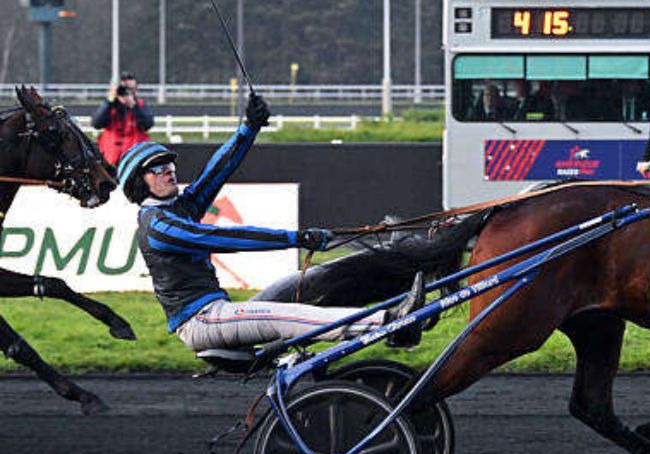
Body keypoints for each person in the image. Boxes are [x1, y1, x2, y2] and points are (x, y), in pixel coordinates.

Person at [116, 93, 417, 353]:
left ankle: (390, 254)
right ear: (139, 183)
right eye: (156, 169)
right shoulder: (157, 227)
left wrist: (249, 127)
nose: (168, 171)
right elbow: (226, 238)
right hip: (201, 322)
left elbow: (218, 169)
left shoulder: (180, 207)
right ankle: (391, 322)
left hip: (218, 310)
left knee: (308, 278)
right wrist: (296, 238)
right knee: (292, 315)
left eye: (168, 165)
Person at [92, 71, 155, 165]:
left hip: (135, 158)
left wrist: (134, 105)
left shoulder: (140, 105)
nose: (126, 93)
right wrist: (110, 101)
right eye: (123, 90)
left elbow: (148, 124)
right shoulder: (110, 106)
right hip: (110, 157)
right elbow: (96, 123)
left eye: (130, 90)